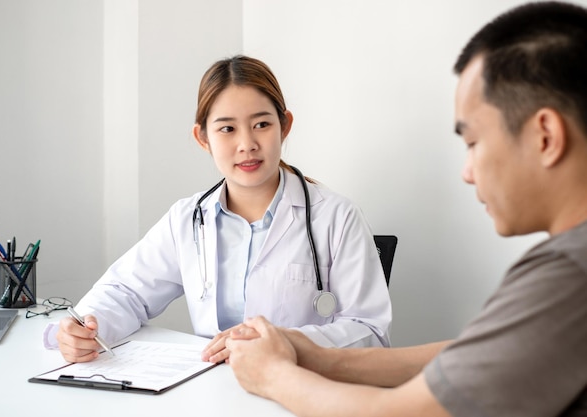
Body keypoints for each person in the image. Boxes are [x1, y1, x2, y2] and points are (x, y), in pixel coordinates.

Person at [225, 2, 587, 416]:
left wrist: (272, 374)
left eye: (472, 143)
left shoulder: (569, 273)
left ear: (545, 137)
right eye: (227, 128)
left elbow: (402, 412)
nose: (467, 173)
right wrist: (319, 357)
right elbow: (483, 354)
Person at [48, 55, 392, 363]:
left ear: (284, 125)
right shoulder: (187, 219)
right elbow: (126, 291)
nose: (247, 144)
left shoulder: (335, 217)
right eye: (227, 128)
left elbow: (371, 333)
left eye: (262, 124)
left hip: (301, 392)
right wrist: (86, 327)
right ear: (203, 138)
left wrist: (286, 342)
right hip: (213, 392)